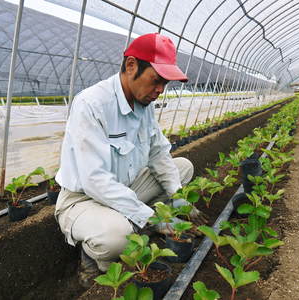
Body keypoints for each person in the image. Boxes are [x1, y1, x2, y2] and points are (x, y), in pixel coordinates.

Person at [54, 33, 206, 288]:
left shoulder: (144, 106)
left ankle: (141, 220)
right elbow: (95, 181)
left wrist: (179, 198)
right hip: (85, 199)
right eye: (156, 81)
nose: (160, 90)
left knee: (182, 169)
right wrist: (155, 219)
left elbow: (158, 154)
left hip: (126, 188)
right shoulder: (92, 104)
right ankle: (92, 260)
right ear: (131, 66)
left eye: (165, 84)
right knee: (119, 238)